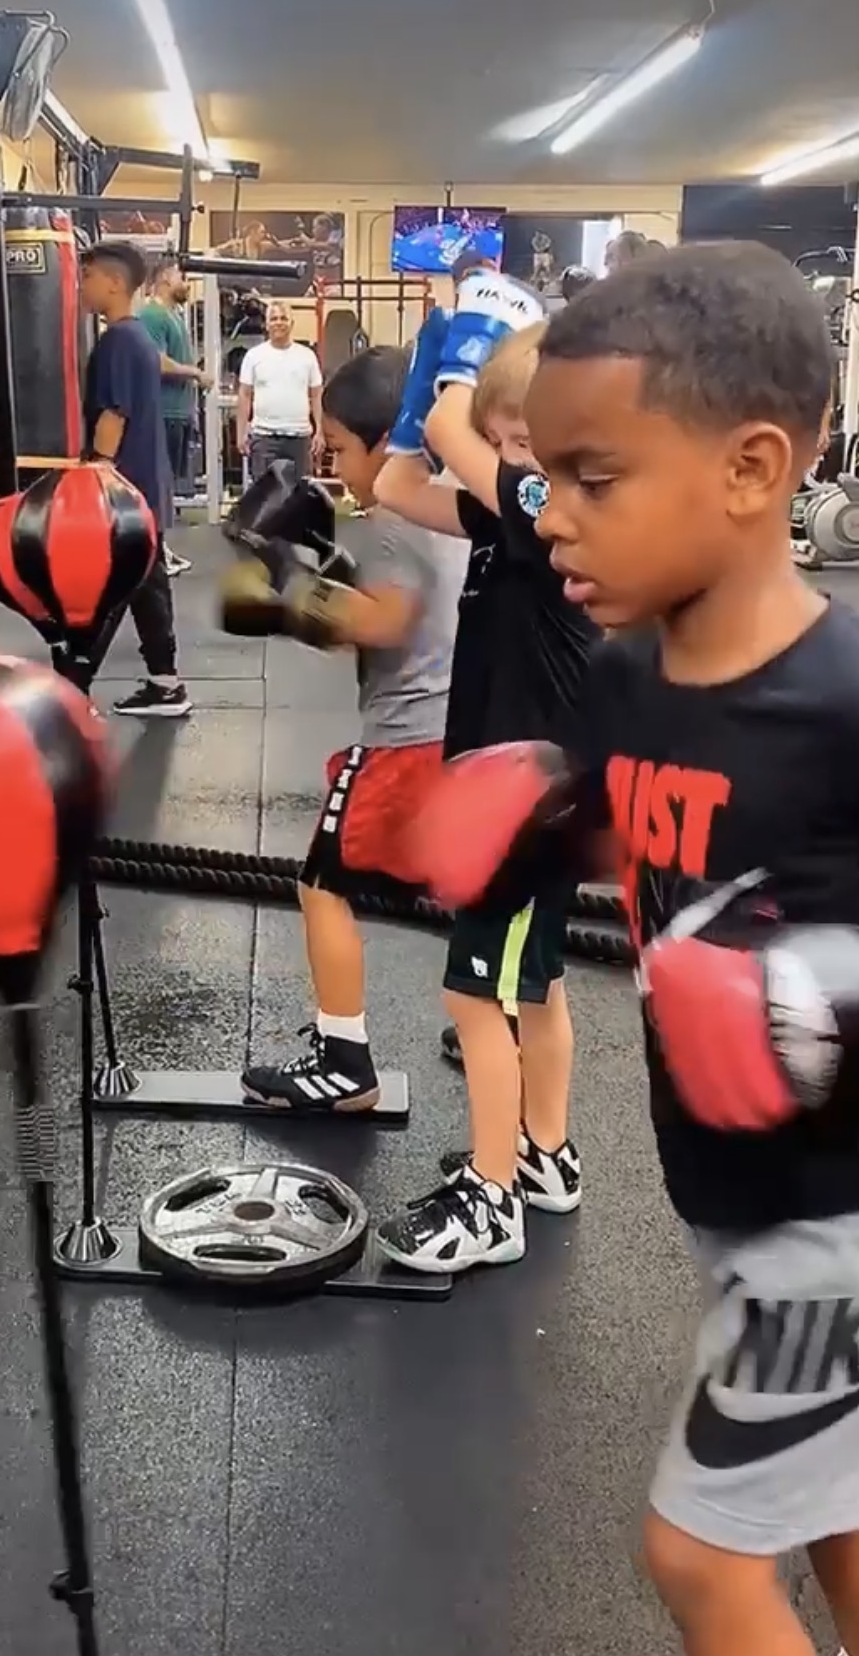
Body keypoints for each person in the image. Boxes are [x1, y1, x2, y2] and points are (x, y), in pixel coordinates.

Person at [414, 241, 859, 1656]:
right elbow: (642, 831)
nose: (549, 516)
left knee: (694, 1557)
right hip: (736, 1194)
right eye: (544, 475)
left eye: (594, 479)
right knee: (841, 1505)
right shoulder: (627, 672)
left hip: (853, 1230)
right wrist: (534, 825)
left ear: (750, 470)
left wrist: (846, 1014)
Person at [373, 321, 598, 1272]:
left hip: (526, 799)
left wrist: (455, 381)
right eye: (507, 441)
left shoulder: (556, 503)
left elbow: (460, 439)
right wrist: (416, 405)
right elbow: (391, 489)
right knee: (532, 987)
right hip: (527, 786)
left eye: (521, 442)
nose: (504, 460)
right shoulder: (513, 514)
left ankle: (492, 1197)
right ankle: (543, 1155)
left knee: (479, 995)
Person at [233, 345, 467, 1111]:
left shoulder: (397, 518)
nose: (333, 462)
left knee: (321, 885)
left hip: (405, 743)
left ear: (382, 441)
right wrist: (332, 555)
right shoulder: (456, 499)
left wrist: (285, 586)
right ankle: (488, 1016)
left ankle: (344, 1060)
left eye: (337, 447)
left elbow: (381, 621)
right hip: (462, 729)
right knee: (466, 888)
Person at [80, 240, 191, 719]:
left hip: (123, 490)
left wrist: (94, 475)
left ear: (114, 283)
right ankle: (167, 684)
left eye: (86, 277)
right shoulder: (140, 339)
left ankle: (72, 687)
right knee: (146, 586)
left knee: (105, 589)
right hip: (144, 488)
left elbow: (114, 413)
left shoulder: (121, 339)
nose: (80, 286)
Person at [138, 256, 213, 576]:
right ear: (166, 278)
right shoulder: (152, 314)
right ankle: (153, 555)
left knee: (165, 487)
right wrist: (194, 373)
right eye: (181, 276)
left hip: (177, 415)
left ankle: (159, 550)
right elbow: (155, 361)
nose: (186, 282)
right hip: (163, 413)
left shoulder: (172, 315)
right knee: (156, 487)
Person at [236, 302, 324, 482]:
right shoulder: (254, 356)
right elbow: (245, 395)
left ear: (292, 324)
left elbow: (316, 395)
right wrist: (241, 432)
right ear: (266, 324)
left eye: (283, 318)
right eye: (274, 319)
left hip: (299, 438)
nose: (279, 323)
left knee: (300, 499)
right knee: (266, 500)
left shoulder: (307, 356)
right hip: (264, 438)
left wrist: (320, 431)